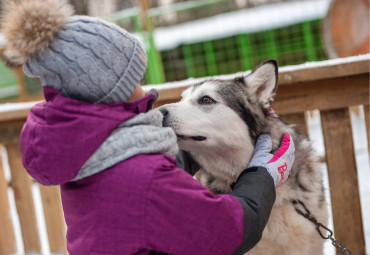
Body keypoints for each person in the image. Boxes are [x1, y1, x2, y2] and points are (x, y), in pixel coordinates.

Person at [1, 0, 295, 254]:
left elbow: (137, 187)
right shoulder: (144, 178)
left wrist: (192, 148)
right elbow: (230, 230)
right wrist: (263, 175)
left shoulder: (84, 152)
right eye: (135, 81)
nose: (145, 91)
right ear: (110, 92)